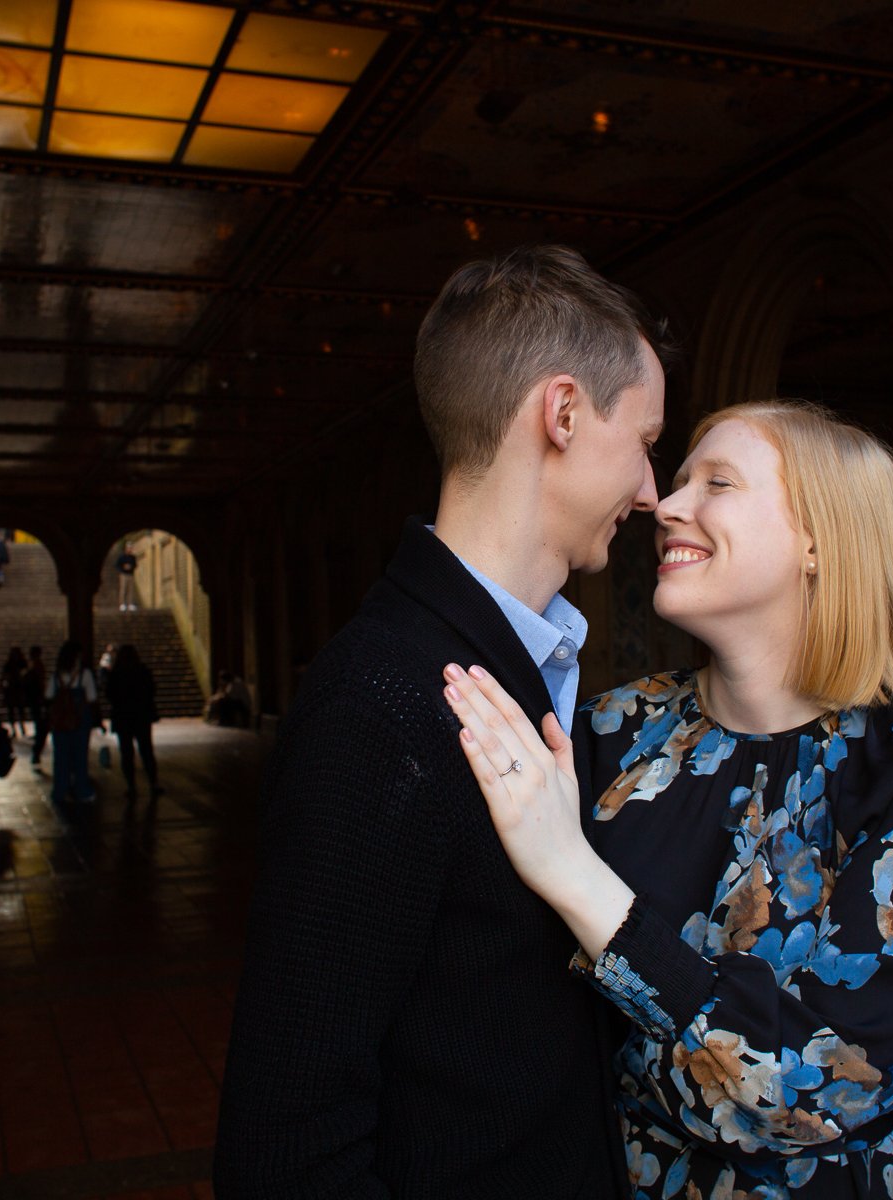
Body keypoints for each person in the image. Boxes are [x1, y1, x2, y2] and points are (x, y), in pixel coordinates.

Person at [441, 400, 893, 1198]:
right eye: (678, 479)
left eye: (718, 483)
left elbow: (815, 1089)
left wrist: (577, 879)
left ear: (817, 542)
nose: (665, 506)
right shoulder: (611, 732)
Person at [214, 245, 669, 1197]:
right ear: (563, 412)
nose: (650, 492)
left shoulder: (518, 663)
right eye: (644, 441)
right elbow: (288, 1143)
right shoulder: (378, 703)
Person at [44, 641, 98, 806]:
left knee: (61, 757)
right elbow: (92, 697)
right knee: (80, 756)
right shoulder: (85, 674)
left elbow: (47, 696)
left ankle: (59, 791)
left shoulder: (56, 676)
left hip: (60, 722)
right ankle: (82, 790)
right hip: (80, 720)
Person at [106, 644, 160, 800]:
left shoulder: (116, 673)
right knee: (146, 750)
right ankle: (153, 783)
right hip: (141, 716)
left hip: (123, 717)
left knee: (126, 753)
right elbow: (151, 690)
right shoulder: (142, 671)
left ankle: (131, 786)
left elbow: (110, 694)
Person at [24, 645, 48, 763]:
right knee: (41, 727)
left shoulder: (32, 666)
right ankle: (36, 751)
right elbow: (41, 682)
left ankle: (36, 751)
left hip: (34, 699)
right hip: (38, 699)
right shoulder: (37, 666)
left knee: (40, 726)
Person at [0, 647, 29, 738]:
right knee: (16, 711)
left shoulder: (11, 664)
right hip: (14, 690)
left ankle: (19, 729)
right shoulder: (17, 664)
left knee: (16, 711)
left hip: (15, 690)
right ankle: (19, 729)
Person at [115, 542, 139, 612]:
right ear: (126, 549)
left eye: (131, 548)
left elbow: (135, 565)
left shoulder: (133, 557)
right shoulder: (121, 557)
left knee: (130, 590)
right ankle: (122, 604)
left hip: (130, 574)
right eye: (129, 548)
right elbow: (117, 565)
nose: (130, 549)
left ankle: (130, 604)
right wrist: (123, 567)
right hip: (123, 574)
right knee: (123, 589)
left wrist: (131, 567)